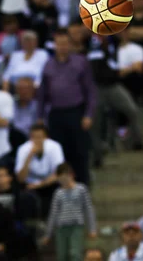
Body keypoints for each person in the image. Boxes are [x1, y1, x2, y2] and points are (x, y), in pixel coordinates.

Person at [37, 29, 96, 185]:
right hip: (56, 114)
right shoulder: (48, 65)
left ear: (69, 44)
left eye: (65, 43)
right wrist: (40, 117)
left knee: (79, 152)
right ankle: (62, 186)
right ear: (54, 45)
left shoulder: (80, 62)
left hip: (76, 112)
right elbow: (42, 94)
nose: (62, 47)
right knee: (59, 154)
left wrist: (88, 114)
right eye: (59, 44)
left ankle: (83, 186)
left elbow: (90, 90)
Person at [42, 163, 97, 261]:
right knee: (62, 255)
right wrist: (48, 234)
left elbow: (88, 209)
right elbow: (53, 214)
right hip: (61, 228)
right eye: (60, 180)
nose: (63, 182)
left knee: (75, 254)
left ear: (71, 175)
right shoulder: (58, 193)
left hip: (76, 226)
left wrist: (92, 228)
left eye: (64, 179)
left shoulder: (81, 189)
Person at [14, 123, 64, 216]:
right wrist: (29, 157)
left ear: (46, 138)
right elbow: (20, 178)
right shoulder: (23, 149)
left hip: (49, 184)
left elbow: (59, 173)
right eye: (34, 137)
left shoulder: (55, 147)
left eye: (40, 137)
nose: (37, 140)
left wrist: (40, 185)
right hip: (29, 185)